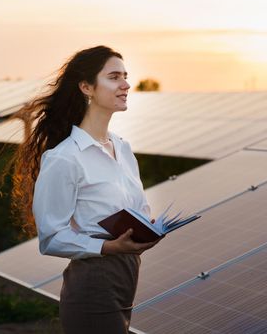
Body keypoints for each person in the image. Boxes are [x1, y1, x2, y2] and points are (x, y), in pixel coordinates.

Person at [10, 45, 159, 333]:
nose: (126, 84)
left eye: (126, 76)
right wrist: (107, 246)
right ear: (86, 87)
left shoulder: (123, 149)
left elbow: (137, 209)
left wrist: (146, 229)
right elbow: (51, 237)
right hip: (94, 281)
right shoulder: (65, 157)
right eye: (114, 77)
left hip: (127, 275)